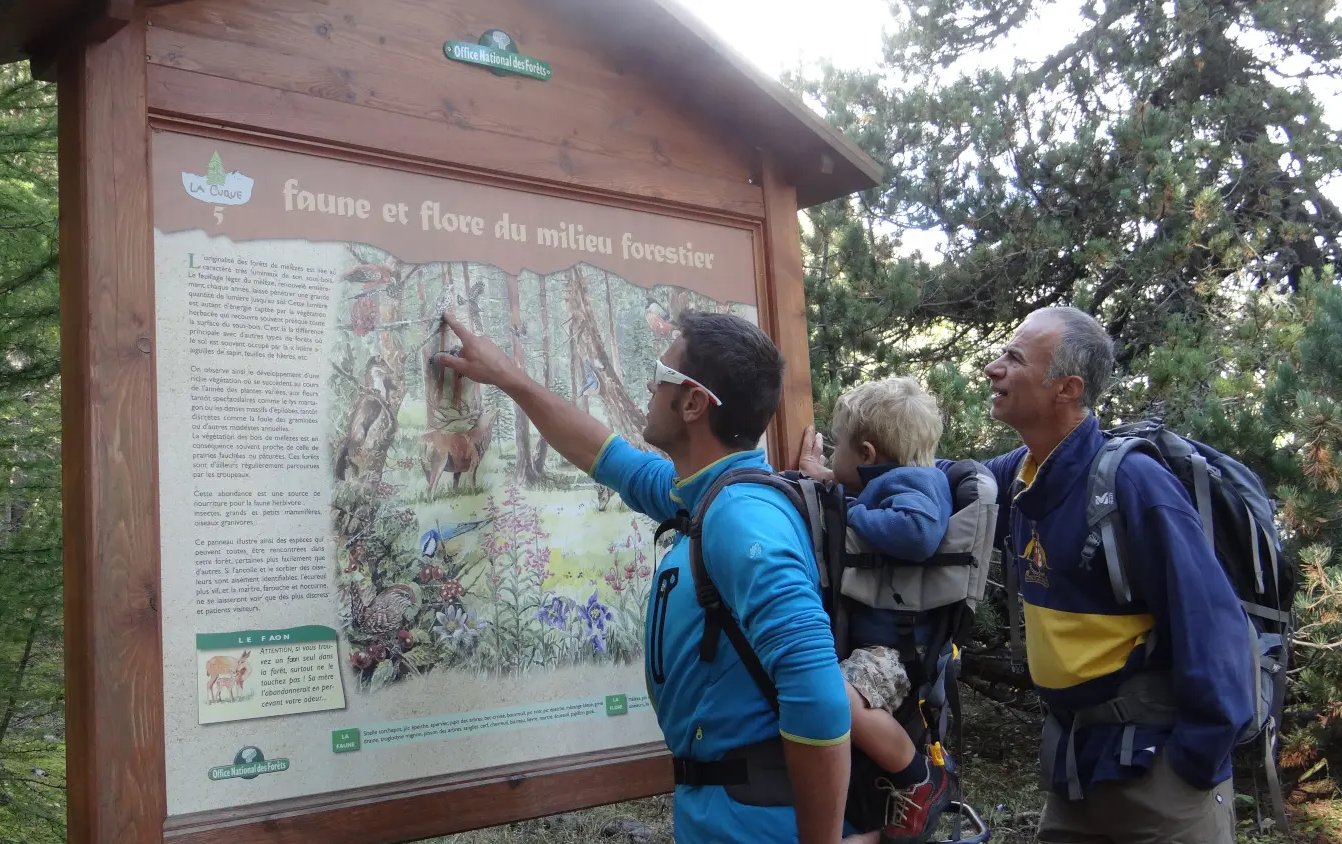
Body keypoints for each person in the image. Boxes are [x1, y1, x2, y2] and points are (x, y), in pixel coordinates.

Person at [434, 310, 869, 844]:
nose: (647, 384)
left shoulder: (741, 518)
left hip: (757, 821)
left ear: (692, 402)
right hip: (721, 810)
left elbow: (818, 694)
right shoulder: (705, 494)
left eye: (660, 374)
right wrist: (511, 378)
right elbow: (606, 455)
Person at [968, 307, 1253, 844]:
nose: (993, 368)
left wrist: (1192, 762)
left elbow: (1213, 626)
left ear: (1066, 389)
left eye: (1014, 358)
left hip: (1159, 779)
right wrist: (846, 477)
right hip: (1077, 768)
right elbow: (946, 486)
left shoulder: (1134, 485)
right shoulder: (1023, 474)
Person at [798, 377, 958, 844]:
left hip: (896, 649)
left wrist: (851, 516)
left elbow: (917, 531)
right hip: (880, 643)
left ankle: (921, 778)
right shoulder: (893, 478)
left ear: (867, 454)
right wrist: (820, 477)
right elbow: (848, 487)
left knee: (837, 702)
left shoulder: (916, 484)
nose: (833, 461)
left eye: (838, 451)